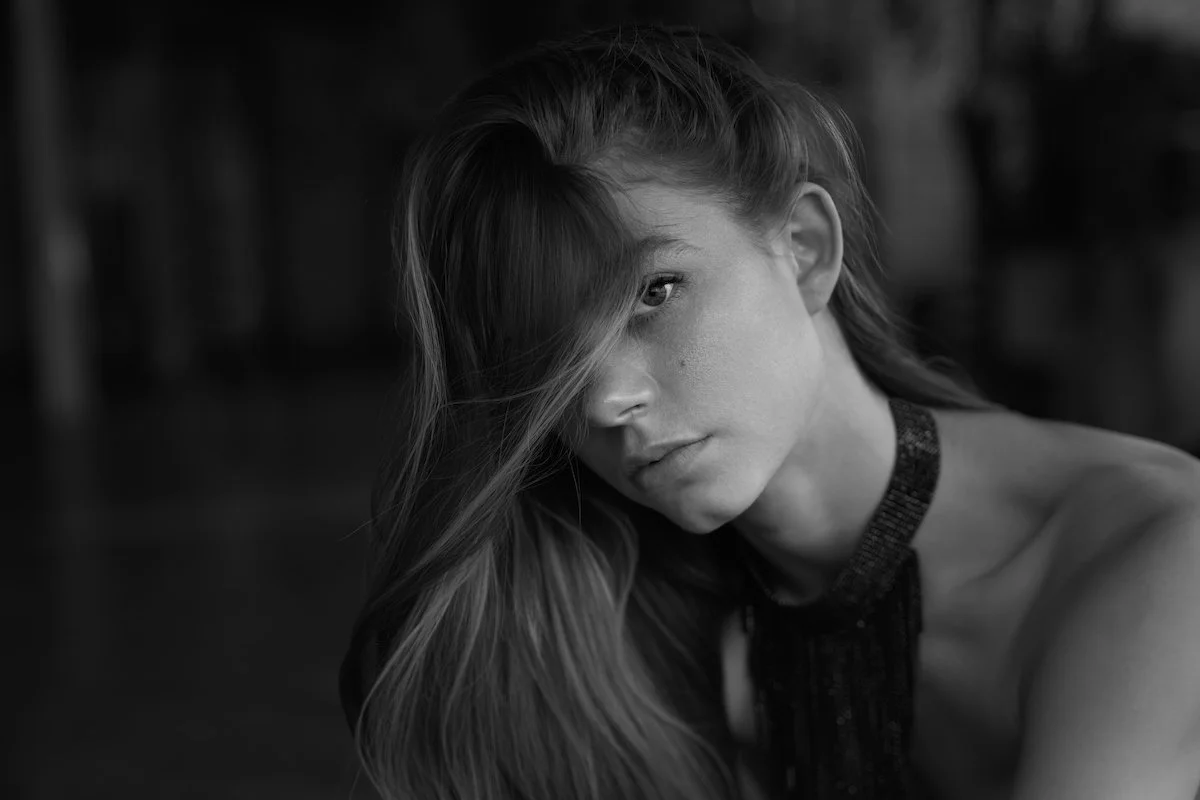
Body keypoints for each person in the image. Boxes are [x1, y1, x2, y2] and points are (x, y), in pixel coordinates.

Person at [339, 23, 1200, 800]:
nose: (603, 400)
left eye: (655, 292)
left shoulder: (1156, 555)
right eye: (546, 359)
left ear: (805, 248)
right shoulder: (643, 639)